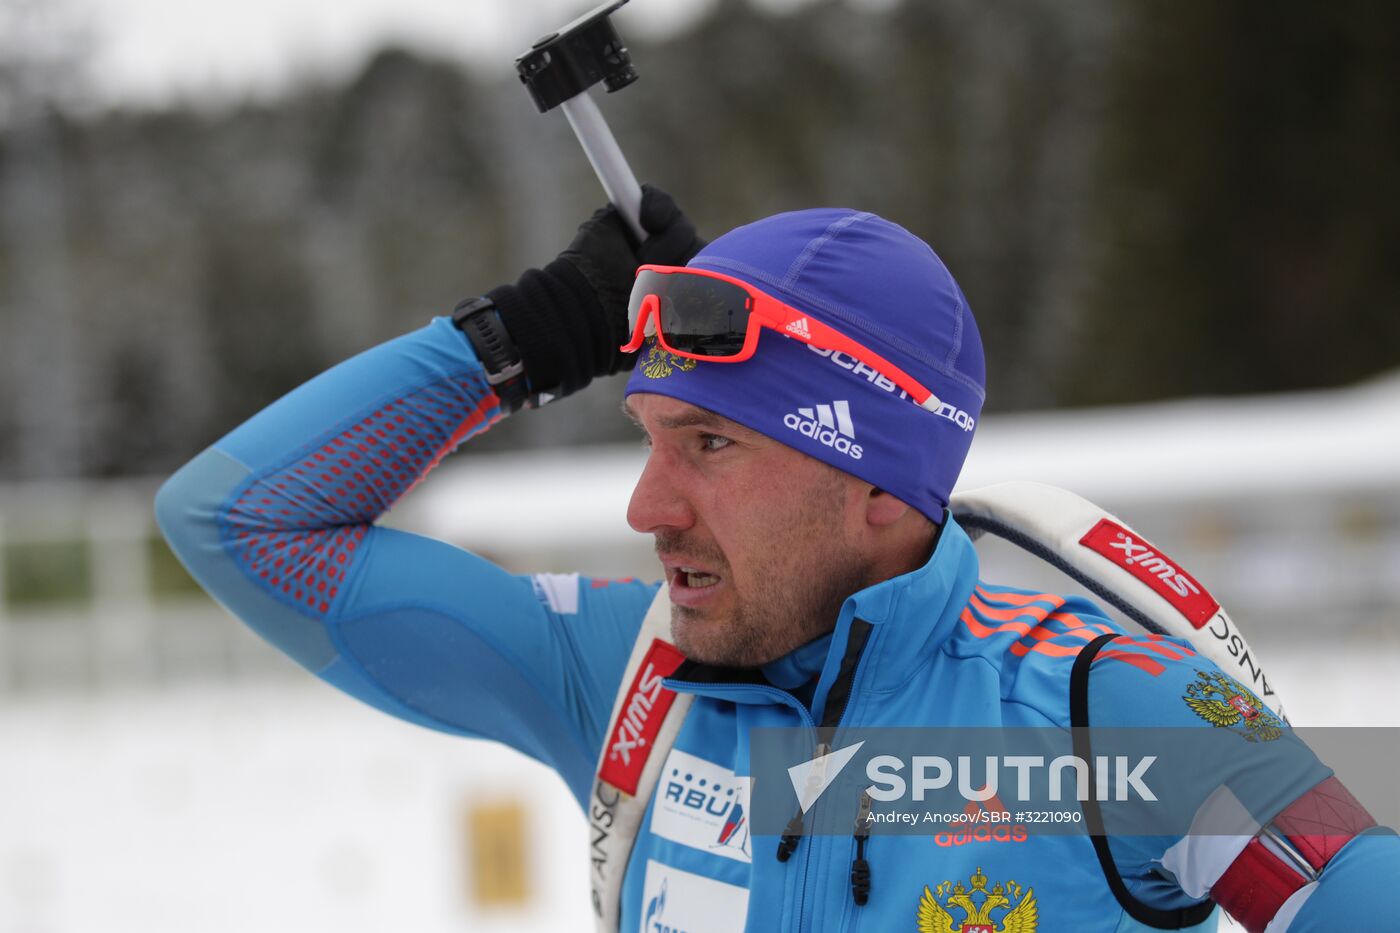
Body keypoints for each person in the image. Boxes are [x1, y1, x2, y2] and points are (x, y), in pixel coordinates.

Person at [157, 188, 1396, 932]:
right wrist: (529, 337)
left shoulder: (1097, 723)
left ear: (874, 483)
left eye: (709, 445)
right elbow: (238, 522)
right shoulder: (621, 676)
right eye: (650, 438)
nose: (649, 506)